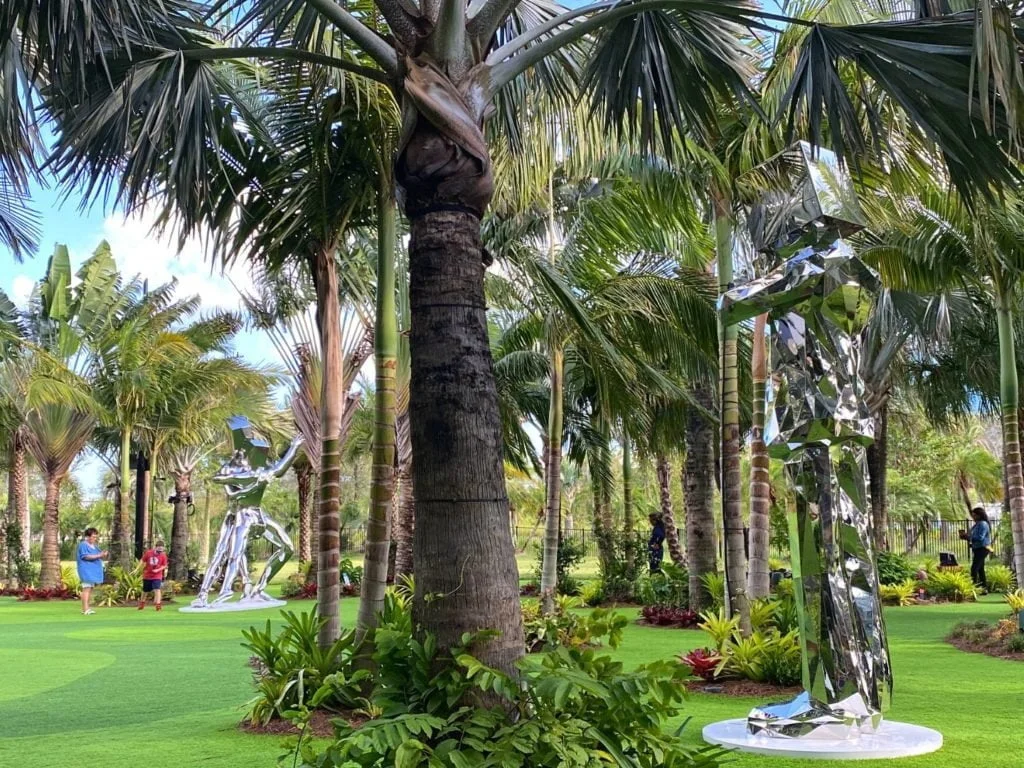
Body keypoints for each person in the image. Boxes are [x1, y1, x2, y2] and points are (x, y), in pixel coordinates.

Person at [76, 528, 107, 615]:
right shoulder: (83, 545)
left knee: (90, 588)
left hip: (93, 570)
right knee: (86, 588)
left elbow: (99, 555)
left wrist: (103, 554)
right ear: (87, 537)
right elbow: (85, 556)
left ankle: (87, 608)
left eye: (95, 537)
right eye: (93, 537)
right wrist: (98, 555)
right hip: (86, 570)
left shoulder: (95, 546)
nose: (94, 538)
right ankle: (85, 609)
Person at [964, 507, 992, 590]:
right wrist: (966, 537)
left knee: (974, 568)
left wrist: (969, 537)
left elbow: (980, 537)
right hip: (977, 548)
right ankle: (984, 588)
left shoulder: (983, 524)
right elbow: (973, 537)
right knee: (980, 569)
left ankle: (973, 588)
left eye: (974, 515)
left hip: (982, 548)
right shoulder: (977, 524)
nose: (973, 517)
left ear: (979, 515)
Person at [139, 540, 169, 611]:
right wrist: (138, 568)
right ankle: (142, 603)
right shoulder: (149, 553)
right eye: (159, 549)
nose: (160, 551)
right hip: (147, 575)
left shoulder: (163, 555)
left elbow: (164, 566)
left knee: (157, 589)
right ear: (155, 547)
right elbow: (142, 560)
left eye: (161, 550)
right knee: (145, 590)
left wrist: (158, 570)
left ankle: (158, 605)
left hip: (157, 576)